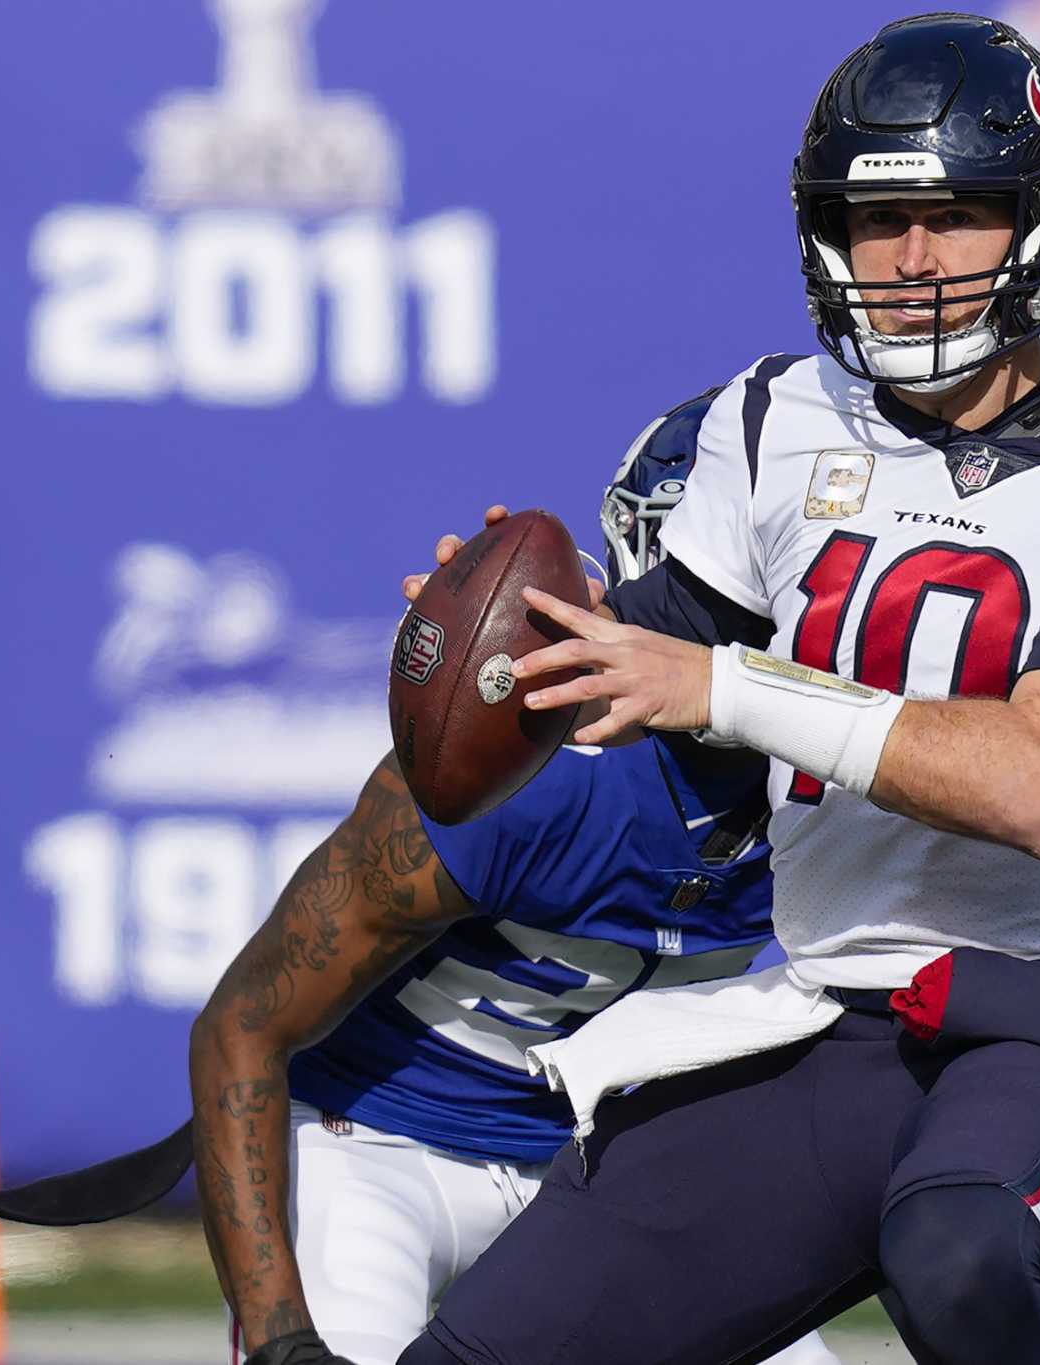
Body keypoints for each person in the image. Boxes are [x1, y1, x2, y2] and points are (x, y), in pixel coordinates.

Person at [393, 14, 1040, 1365]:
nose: (915, 261)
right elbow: (633, 668)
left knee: (958, 1259)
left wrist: (729, 686)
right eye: (880, 221)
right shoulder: (772, 423)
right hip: (823, 1015)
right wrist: (508, 652)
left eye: (960, 215)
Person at [182, 395, 838, 1365]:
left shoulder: (860, 759)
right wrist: (284, 1345)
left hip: (608, 1175)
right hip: (380, 1150)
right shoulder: (538, 772)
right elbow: (242, 1028)